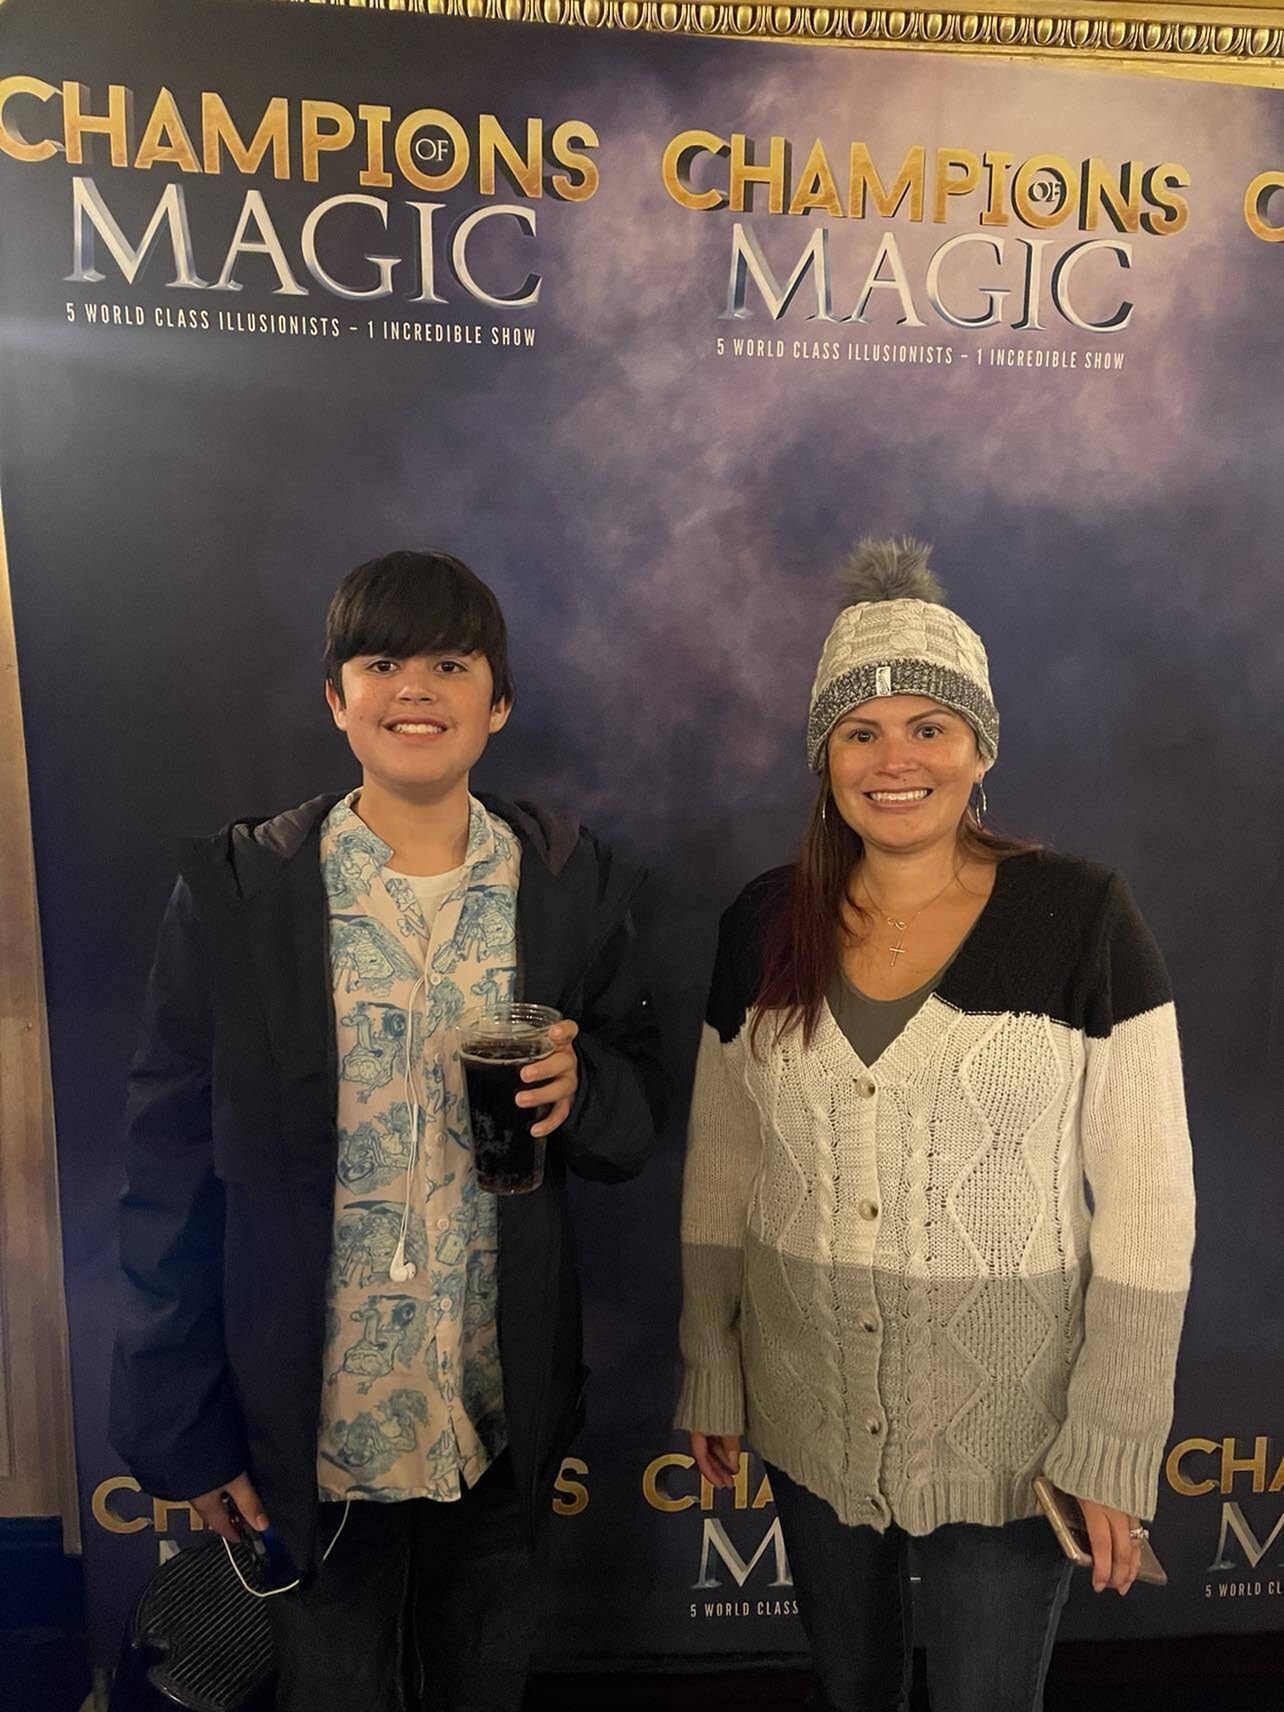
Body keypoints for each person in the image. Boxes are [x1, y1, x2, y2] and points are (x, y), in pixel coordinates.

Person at [112, 549, 663, 1712]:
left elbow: (633, 1122)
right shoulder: (240, 894)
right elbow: (165, 1172)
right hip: (305, 1436)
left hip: (494, 1421)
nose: (414, 687)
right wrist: (186, 1428)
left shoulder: (572, 885)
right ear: (336, 696)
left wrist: (586, 1088)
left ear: (498, 702)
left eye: (451, 663)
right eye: (380, 661)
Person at [676, 538, 1195, 1712]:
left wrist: (1115, 1434)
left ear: (979, 747)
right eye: (860, 731)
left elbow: (1151, 1204)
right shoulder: (762, 923)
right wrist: (712, 1361)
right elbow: (723, 1167)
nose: (895, 758)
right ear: (825, 759)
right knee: (849, 1689)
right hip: (804, 1397)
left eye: (930, 725)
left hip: (1011, 1427)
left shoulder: (1081, 916)